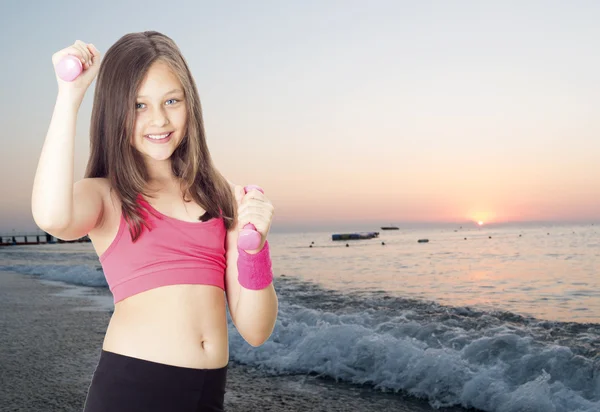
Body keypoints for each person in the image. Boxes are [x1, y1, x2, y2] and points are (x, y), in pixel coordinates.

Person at [31, 31, 278, 412]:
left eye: (171, 101)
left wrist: (256, 248)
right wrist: (70, 95)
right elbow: (51, 216)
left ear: (189, 103)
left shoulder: (221, 193)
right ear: (114, 110)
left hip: (208, 394)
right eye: (139, 105)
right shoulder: (106, 195)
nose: (159, 119)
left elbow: (256, 330)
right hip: (132, 391)